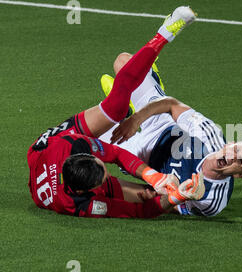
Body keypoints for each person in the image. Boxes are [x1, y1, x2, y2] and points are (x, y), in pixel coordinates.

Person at [27, 6, 204, 219]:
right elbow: (138, 212)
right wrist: (175, 198)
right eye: (103, 178)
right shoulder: (80, 205)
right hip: (60, 173)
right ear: (87, 191)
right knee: (149, 196)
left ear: (86, 155)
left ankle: (165, 31)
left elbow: (116, 154)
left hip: (48, 147)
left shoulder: (73, 145)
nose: (107, 175)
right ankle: (137, 98)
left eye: (102, 166)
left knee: (115, 109)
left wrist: (154, 176)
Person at [98, 54, 242, 217]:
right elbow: (172, 105)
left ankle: (122, 111)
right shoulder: (208, 134)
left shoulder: (212, 201)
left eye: (239, 161)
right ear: (229, 144)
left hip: (143, 159)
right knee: (124, 62)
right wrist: (137, 119)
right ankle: (131, 109)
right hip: (163, 125)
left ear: (239, 174)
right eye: (236, 150)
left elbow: (171, 207)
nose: (232, 157)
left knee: (83, 141)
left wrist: (174, 196)